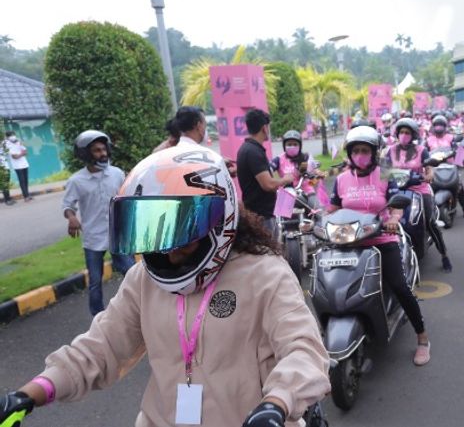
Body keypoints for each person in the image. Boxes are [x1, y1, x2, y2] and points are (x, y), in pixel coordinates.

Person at [0, 144, 330, 427]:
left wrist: (276, 403)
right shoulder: (143, 280)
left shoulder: (265, 275)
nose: (169, 248)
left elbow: (304, 351)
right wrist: (29, 394)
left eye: (183, 229)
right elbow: (100, 347)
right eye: (155, 230)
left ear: (221, 218)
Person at [329, 126, 431, 366]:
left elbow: (396, 204)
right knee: (334, 284)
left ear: (374, 153)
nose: (360, 155)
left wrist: (394, 219)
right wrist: (316, 219)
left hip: (381, 238)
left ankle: (423, 337)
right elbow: (332, 208)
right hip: (348, 241)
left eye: (365, 150)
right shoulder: (342, 179)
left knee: (399, 285)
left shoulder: (385, 173)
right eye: (356, 151)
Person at [62, 130, 136, 316]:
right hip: (93, 238)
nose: (102, 153)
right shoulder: (76, 181)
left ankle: (135, 309)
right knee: (95, 281)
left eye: (104, 149)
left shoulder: (117, 174)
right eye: (96, 150)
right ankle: (97, 316)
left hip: (118, 235)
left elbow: (127, 197)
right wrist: (71, 217)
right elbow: (68, 205)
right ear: (85, 154)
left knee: (132, 273)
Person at [384, 118, 452, 272]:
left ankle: (444, 254)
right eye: (401, 132)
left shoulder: (421, 150)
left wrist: (429, 175)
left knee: (429, 221)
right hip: (395, 189)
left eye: (407, 132)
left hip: (419, 189)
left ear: (413, 134)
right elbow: (384, 170)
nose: (404, 135)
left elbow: (429, 169)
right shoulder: (391, 150)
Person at [236, 109, 294, 237]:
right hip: (262, 217)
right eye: (268, 127)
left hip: (256, 214)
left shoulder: (246, 149)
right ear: (264, 128)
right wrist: (286, 179)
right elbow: (268, 184)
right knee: (269, 253)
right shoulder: (254, 152)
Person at [425, 115, 464, 220]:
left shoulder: (451, 138)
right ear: (433, 127)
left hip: (450, 166)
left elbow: (457, 150)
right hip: (434, 168)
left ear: (445, 126)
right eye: (436, 125)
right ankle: (428, 211)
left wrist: (463, 158)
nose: (439, 127)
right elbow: (424, 153)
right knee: (428, 188)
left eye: (441, 125)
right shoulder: (428, 140)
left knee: (459, 186)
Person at [172, 106, 237, 177]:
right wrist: (224, 172)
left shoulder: (170, 155)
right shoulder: (206, 156)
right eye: (205, 124)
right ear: (199, 126)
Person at [271, 129, 323, 205]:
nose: (292, 146)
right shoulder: (279, 159)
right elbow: (267, 170)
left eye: (295, 144)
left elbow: (314, 172)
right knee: (278, 213)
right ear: (284, 146)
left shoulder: (306, 158)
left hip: (306, 191)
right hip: (286, 192)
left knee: (317, 211)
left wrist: (318, 175)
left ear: (300, 146)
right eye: (289, 144)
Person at [3, 130, 31, 201]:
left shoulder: (19, 141)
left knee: (26, 180)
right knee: (21, 180)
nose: (13, 136)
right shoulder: (6, 144)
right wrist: (21, 153)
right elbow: (14, 156)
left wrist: (20, 154)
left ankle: (28, 194)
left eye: (13, 134)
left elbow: (25, 152)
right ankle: (25, 196)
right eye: (11, 135)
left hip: (24, 163)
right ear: (7, 137)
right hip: (17, 166)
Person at [0, 137, 14, 205]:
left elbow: (8, 149)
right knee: (4, 184)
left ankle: (9, 198)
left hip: (6, 167)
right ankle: (7, 200)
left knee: (7, 183)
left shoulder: (3, 146)